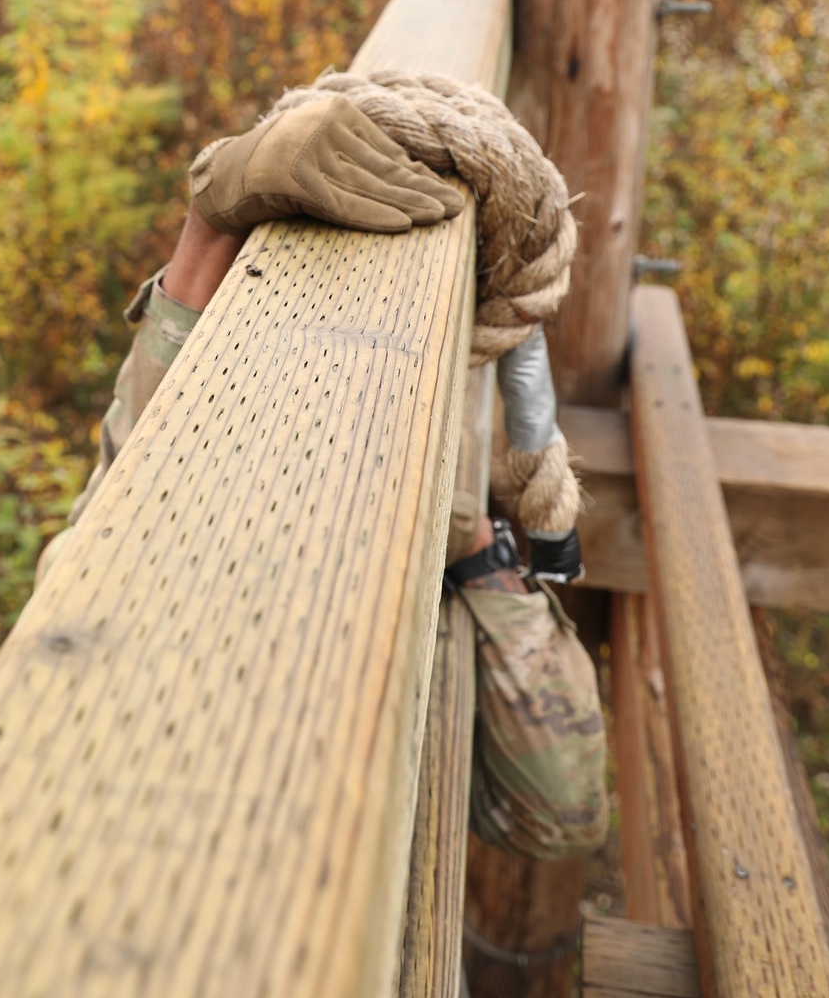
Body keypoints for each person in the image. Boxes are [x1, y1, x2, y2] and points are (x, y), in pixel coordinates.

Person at [38, 96, 608, 860]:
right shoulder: (143, 579)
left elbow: (563, 814)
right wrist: (212, 220)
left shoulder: (421, 572)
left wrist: (477, 557)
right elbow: (118, 507)